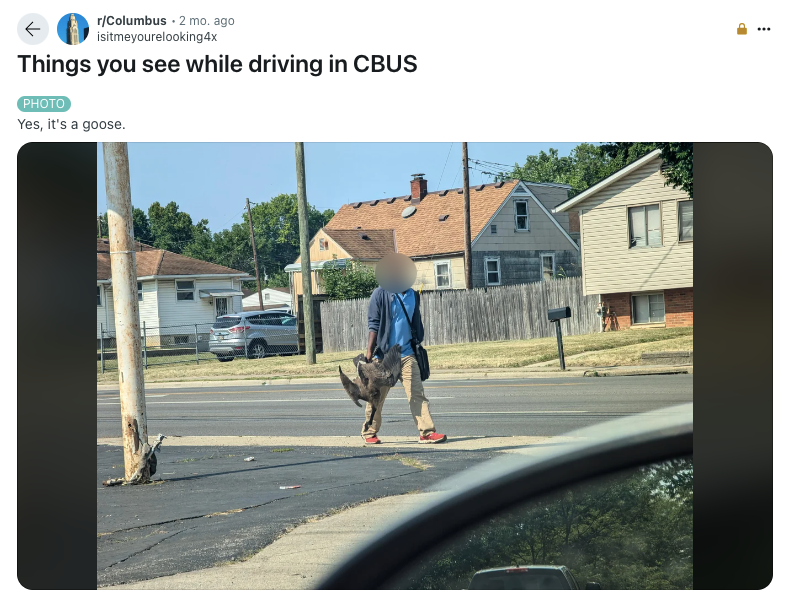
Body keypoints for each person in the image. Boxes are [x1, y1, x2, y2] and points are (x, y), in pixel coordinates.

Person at [361, 253, 446, 445]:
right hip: (384, 356)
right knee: (377, 397)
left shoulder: (413, 295)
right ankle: (369, 432)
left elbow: (415, 323)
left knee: (417, 394)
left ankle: (427, 432)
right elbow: (373, 324)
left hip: (407, 354)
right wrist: (369, 353)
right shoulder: (380, 294)